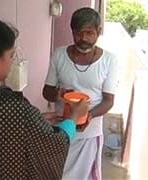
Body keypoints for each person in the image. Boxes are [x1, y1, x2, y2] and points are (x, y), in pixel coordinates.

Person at [0, 18, 89, 180]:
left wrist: (30, 122)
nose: (13, 61)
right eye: (11, 56)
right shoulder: (6, 105)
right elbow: (54, 144)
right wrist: (73, 119)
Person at [43, 7, 118, 180]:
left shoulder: (109, 60)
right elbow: (46, 91)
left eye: (89, 33)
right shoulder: (59, 55)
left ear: (99, 31)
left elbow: (108, 100)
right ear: (72, 32)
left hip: (89, 135)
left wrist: (88, 115)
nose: (83, 39)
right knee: (58, 175)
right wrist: (58, 94)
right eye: (78, 33)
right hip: (62, 131)